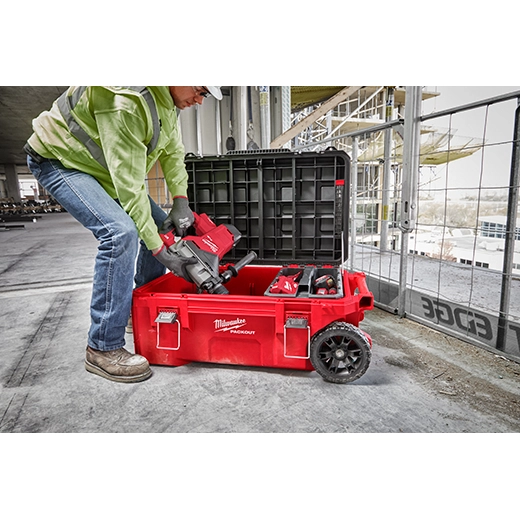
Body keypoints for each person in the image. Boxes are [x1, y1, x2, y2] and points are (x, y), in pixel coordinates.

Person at [24, 86, 223, 383]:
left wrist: (180, 198)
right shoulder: (127, 100)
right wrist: (160, 251)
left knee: (159, 226)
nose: (199, 100)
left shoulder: (166, 101)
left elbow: (172, 152)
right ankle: (102, 347)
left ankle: (136, 311)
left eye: (205, 95)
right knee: (120, 233)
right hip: (61, 159)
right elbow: (130, 188)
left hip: (99, 169)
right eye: (199, 89)